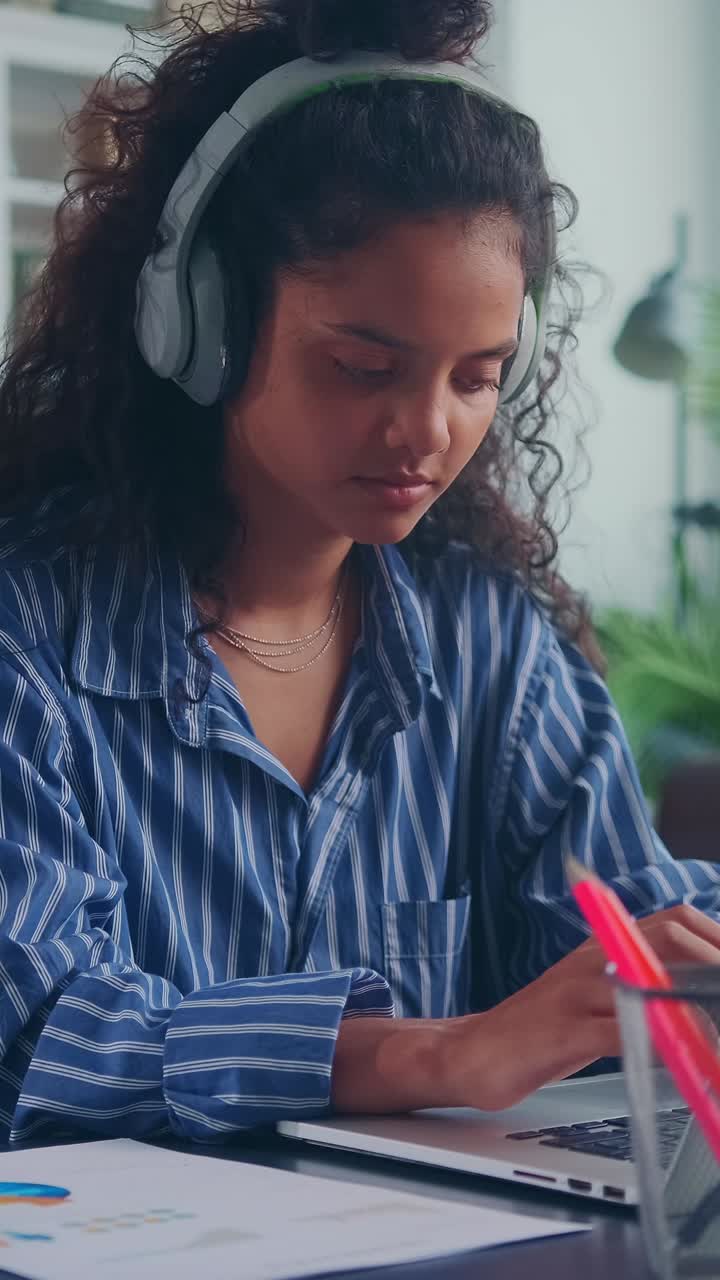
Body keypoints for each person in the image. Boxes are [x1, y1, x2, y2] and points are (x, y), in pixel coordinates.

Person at [0, 0, 719, 1149]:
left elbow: (623, 934)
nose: (426, 430)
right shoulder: (28, 642)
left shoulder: (491, 647)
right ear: (200, 319)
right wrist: (437, 1050)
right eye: (363, 365)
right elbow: (36, 1039)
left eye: (477, 376)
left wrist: (683, 959)